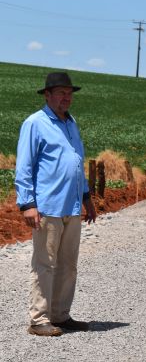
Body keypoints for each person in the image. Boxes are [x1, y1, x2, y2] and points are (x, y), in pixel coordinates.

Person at [15, 72, 96, 337]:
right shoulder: (35, 123)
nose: (66, 98)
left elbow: (76, 163)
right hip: (48, 206)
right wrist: (27, 203)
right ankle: (38, 319)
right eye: (60, 93)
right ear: (47, 95)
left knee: (68, 264)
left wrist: (86, 197)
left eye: (69, 93)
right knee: (45, 264)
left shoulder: (71, 124)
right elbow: (25, 166)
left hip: (71, 206)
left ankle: (60, 315)